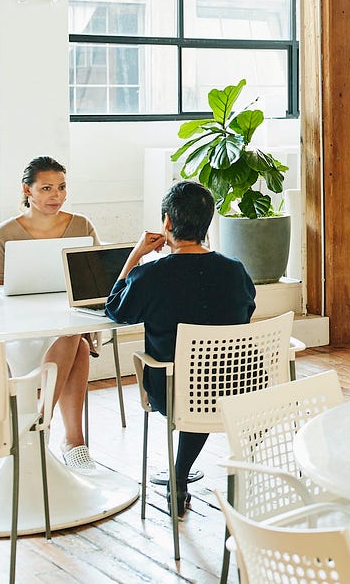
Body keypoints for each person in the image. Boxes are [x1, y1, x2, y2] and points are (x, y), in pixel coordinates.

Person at [105, 181, 256, 520]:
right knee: (206, 377)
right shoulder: (235, 270)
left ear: (167, 224)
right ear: (207, 223)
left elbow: (115, 309)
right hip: (238, 387)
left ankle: (178, 476)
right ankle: (183, 474)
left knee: (193, 382)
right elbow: (246, 313)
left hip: (173, 392)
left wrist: (135, 255)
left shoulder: (149, 275)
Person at [0, 156, 100, 474]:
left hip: (67, 323)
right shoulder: (6, 233)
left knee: (75, 337)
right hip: (23, 330)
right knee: (78, 343)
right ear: (27, 190)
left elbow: (96, 278)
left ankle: (46, 427)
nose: (56, 195)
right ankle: (69, 440)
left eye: (61, 187)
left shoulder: (81, 226)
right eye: (46, 188)